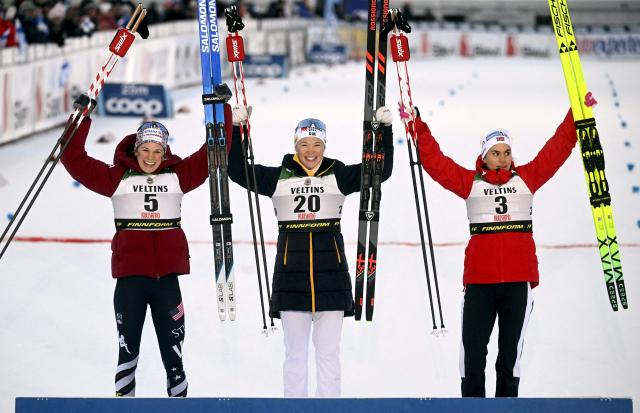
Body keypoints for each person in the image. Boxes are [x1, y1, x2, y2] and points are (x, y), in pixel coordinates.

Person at [401, 97, 593, 397]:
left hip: (518, 283)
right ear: (484, 157)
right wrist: (417, 126)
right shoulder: (470, 183)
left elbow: (557, 149)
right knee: (473, 359)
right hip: (480, 284)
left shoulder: (527, 178)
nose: (502, 158)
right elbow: (435, 163)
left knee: (509, 360)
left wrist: (577, 114)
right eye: (495, 153)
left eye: (506, 152)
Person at [60, 95, 232, 397]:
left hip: (167, 283)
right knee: (127, 357)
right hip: (130, 284)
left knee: (175, 359)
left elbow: (214, 153)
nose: (150, 157)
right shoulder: (117, 178)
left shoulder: (178, 176)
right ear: (135, 149)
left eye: (156, 151)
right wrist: (81, 118)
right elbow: (73, 159)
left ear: (164, 152)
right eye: (144, 150)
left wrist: (222, 111)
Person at [229, 105, 395, 397]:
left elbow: (380, 171)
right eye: (304, 144)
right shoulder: (278, 177)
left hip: (331, 281)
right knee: (294, 358)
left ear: (324, 146)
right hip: (291, 280)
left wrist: (384, 132)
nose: (311, 151)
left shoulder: (338, 175)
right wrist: (237, 129)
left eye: (317, 144)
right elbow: (237, 171)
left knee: (328, 356)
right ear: (295, 145)